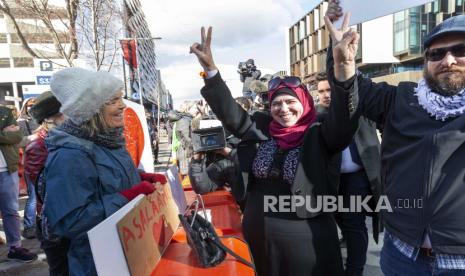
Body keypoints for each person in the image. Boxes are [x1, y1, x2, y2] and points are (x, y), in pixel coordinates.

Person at [190, 26, 358, 276]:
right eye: (277, 103)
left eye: (291, 102)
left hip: (309, 242)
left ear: (305, 103)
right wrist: (211, 72)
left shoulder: (321, 133)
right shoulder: (261, 127)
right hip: (259, 236)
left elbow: (346, 117)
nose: (283, 109)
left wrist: (344, 70)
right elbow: (230, 114)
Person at [325, 3, 465, 274]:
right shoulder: (401, 99)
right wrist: (339, 56)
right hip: (402, 255)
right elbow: (352, 85)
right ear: (426, 61)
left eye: (460, 50)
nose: (448, 60)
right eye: (437, 53)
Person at [43, 67, 165, 275]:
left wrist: (140, 178)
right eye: (113, 101)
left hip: (130, 251)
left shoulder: (109, 140)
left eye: (121, 98)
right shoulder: (70, 155)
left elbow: (109, 182)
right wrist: (127, 197)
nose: (123, 106)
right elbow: (70, 221)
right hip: (98, 264)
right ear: (90, 110)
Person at [316, 72, 382, 276]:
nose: (326, 95)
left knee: (355, 222)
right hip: (332, 179)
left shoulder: (362, 109)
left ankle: (354, 270)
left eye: (330, 89)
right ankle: (346, 236)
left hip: (359, 178)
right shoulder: (316, 117)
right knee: (339, 218)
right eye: (322, 91)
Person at [24, 91, 68, 275]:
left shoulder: (64, 140)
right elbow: (49, 189)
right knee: (61, 270)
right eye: (65, 114)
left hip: (68, 219)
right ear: (50, 119)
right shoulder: (37, 147)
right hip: (54, 225)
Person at [0, 105, 37, 262]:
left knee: (11, 211)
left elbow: (16, 136)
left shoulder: (4, 112)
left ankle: (15, 247)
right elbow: (9, 136)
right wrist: (3, 132)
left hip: (8, 169)